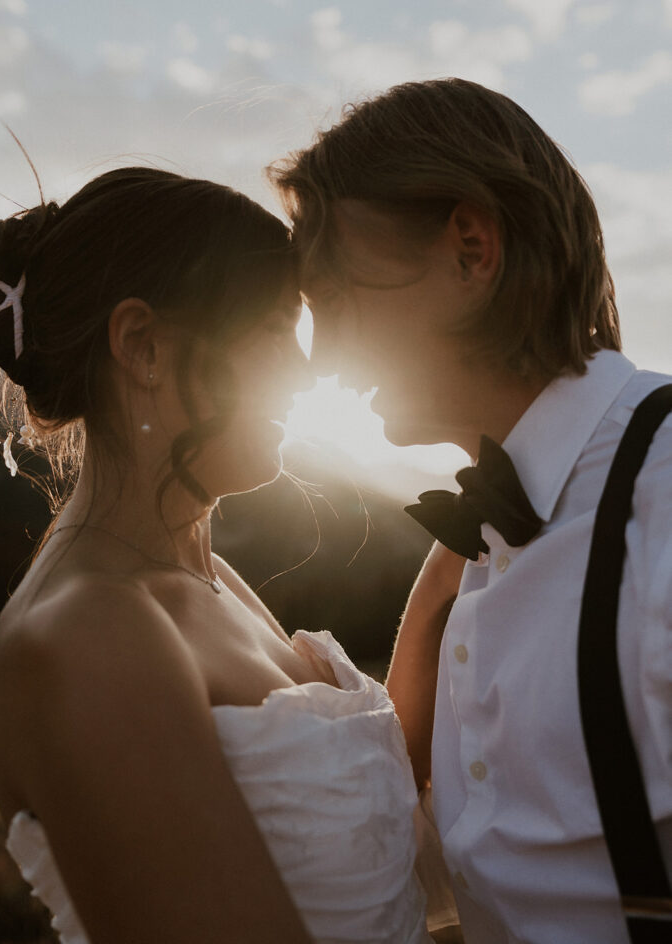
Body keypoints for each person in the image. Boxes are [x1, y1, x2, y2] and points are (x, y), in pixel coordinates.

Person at [269, 78, 672, 944]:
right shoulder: (476, 546)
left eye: (334, 298)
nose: (320, 361)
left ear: (471, 248)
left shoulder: (665, 492)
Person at [0, 166, 436, 944]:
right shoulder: (87, 631)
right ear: (143, 346)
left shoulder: (204, 574)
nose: (303, 372)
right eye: (270, 331)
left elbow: (362, 860)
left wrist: (450, 580)